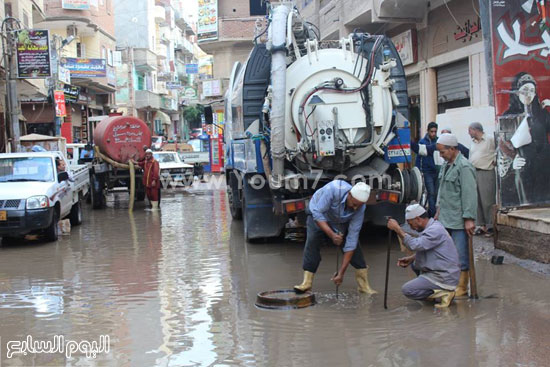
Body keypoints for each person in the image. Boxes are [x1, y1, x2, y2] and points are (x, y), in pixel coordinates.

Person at [294, 180, 377, 294]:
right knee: (312, 241)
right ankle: (307, 283)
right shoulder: (333, 190)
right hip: (319, 214)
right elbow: (317, 213)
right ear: (349, 195)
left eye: (359, 206)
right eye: (354, 204)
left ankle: (363, 285)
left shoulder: (359, 209)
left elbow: (352, 239)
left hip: (340, 220)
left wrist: (341, 273)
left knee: (355, 246)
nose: (355, 208)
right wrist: (332, 235)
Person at [387, 204, 460, 308]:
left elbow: (415, 245)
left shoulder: (434, 230)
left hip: (444, 276)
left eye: (411, 224)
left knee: (408, 290)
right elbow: (428, 249)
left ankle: (443, 292)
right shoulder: (432, 227)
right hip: (443, 272)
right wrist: (411, 258)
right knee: (414, 265)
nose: (411, 227)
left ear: (418, 219)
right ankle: (435, 291)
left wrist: (398, 229)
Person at [435, 133, 477, 298]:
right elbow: (442, 190)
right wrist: (438, 210)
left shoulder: (464, 167)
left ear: (452, 149)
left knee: (461, 253)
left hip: (459, 219)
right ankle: (451, 282)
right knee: (448, 253)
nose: (441, 155)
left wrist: (469, 219)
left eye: (442, 152)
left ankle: (462, 286)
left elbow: (469, 194)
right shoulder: (446, 165)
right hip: (446, 217)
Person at [468, 122, 496, 237]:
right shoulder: (473, 142)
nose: (468, 133)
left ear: (475, 130)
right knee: (477, 200)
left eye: (470, 130)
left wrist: (494, 159)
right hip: (475, 172)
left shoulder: (489, 139)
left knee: (487, 199)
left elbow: (499, 150)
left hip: (486, 171)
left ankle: (490, 226)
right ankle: (481, 225)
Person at [411, 122, 439, 217]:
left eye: (435, 131)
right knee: (431, 193)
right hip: (427, 172)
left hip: (437, 171)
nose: (434, 134)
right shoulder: (422, 142)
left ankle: (434, 213)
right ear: (428, 131)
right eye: (432, 131)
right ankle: (432, 214)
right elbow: (419, 157)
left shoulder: (438, 141)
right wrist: (418, 171)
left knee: (436, 194)